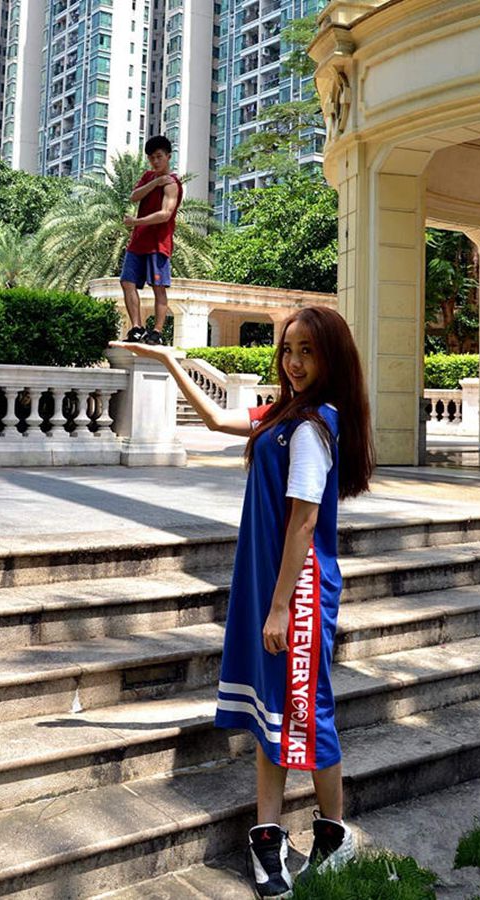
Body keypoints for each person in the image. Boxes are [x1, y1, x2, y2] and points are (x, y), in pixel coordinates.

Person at [110, 306, 375, 899]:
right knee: (268, 712)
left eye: (307, 351)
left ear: (331, 358)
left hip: (295, 593)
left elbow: (303, 523)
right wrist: (169, 359)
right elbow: (214, 417)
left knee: (306, 711)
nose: (294, 362)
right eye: (287, 350)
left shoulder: (312, 428)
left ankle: (334, 838)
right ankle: (267, 834)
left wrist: (280, 608)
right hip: (269, 587)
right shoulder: (283, 416)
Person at [119, 135, 183, 346]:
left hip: (158, 243)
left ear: (168, 157)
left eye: (159, 157)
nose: (155, 161)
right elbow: (134, 196)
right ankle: (137, 328)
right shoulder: (148, 177)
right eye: (151, 158)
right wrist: (155, 182)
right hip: (138, 242)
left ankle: (157, 332)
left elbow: (165, 214)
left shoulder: (172, 184)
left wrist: (136, 222)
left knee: (158, 287)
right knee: (127, 282)